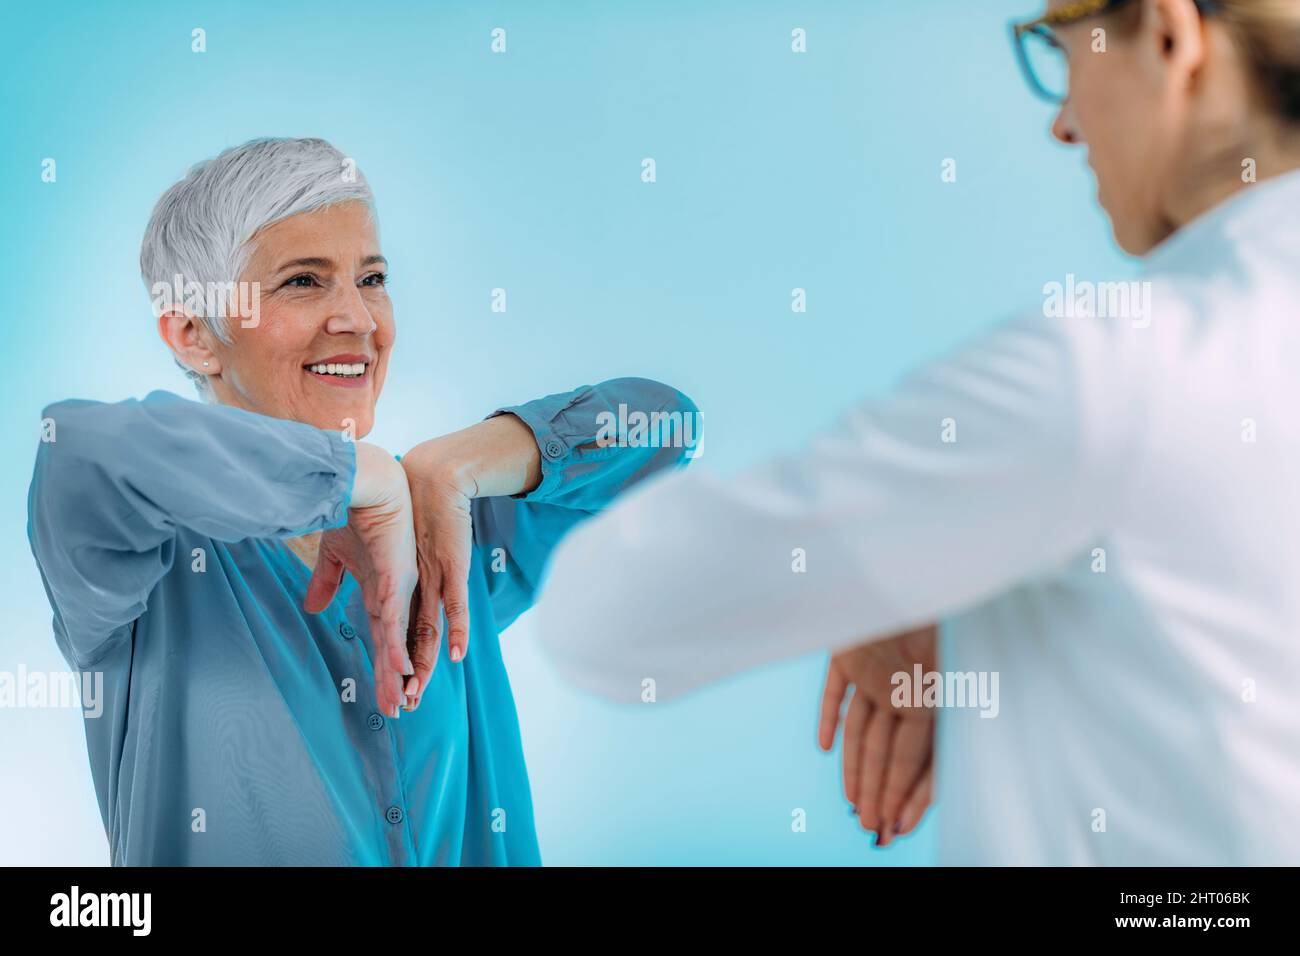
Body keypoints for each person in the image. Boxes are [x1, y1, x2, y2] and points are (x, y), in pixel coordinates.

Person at [532, 0, 1300, 864]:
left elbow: (603, 617)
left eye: (1061, 57)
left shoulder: (1115, 374)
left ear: (1170, 35)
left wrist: (898, 577)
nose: (1063, 123)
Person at [26, 136, 697, 865]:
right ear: (193, 334)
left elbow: (668, 427)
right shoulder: (144, 570)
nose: (359, 319)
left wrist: (454, 464)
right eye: (303, 283)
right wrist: (353, 477)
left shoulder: (441, 527)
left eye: (371, 277)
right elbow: (81, 450)